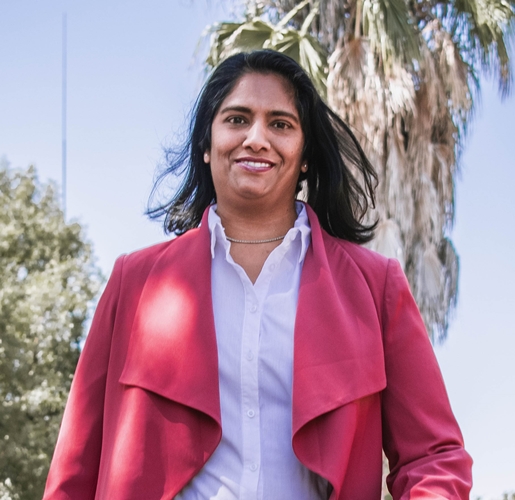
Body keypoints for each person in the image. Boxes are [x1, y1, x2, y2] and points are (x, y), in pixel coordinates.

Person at [43, 50, 472, 499]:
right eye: (237, 119)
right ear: (206, 145)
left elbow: (434, 457)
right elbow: (74, 474)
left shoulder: (374, 286)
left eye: (280, 124)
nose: (256, 139)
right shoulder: (134, 281)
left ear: (304, 155)